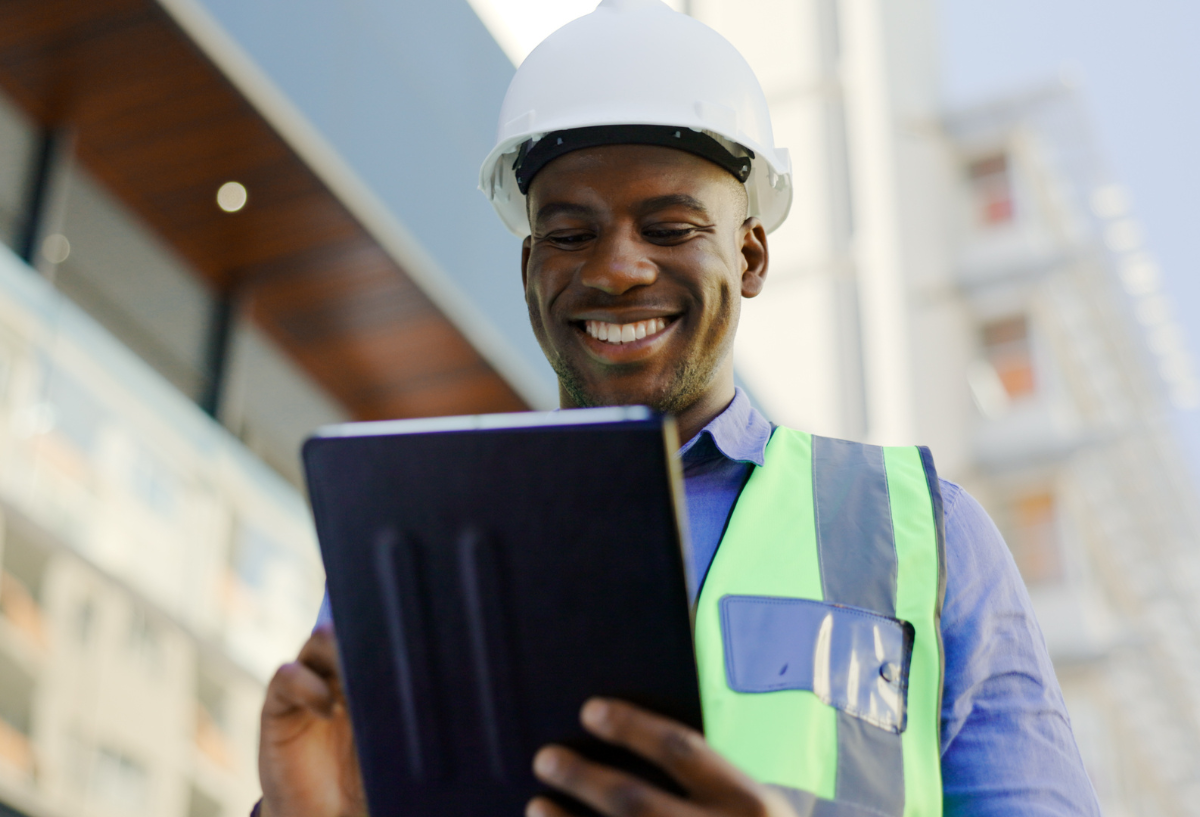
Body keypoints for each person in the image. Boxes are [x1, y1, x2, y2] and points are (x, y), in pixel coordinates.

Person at [255, 1, 1101, 815]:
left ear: (752, 253)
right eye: (570, 233)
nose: (617, 269)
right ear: (527, 273)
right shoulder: (419, 536)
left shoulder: (922, 535)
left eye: (669, 227)